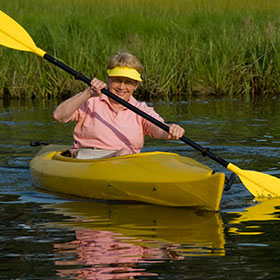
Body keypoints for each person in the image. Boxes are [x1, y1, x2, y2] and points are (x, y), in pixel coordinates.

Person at [53, 52, 185, 159]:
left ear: (136, 86)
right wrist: (87, 93)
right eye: (117, 81)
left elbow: (158, 129)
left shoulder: (141, 109)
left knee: (124, 154)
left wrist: (171, 130)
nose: (122, 87)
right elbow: (59, 116)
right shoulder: (90, 101)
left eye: (128, 82)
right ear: (108, 79)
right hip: (88, 158)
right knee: (124, 154)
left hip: (126, 162)